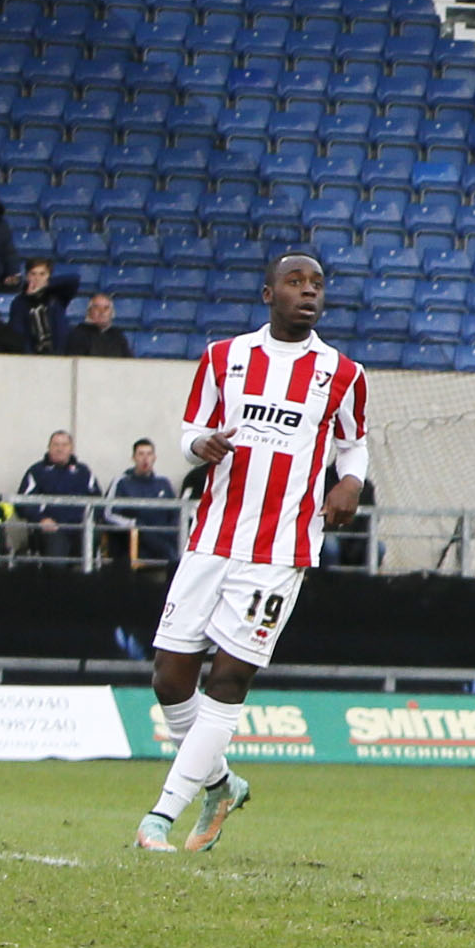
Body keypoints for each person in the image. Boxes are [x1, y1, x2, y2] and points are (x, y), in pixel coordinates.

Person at [131, 252, 371, 854]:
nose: (308, 292)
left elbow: (354, 443)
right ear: (269, 294)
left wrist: (350, 482)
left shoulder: (343, 373)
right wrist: (200, 445)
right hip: (212, 536)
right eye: (295, 282)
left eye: (317, 284)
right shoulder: (224, 357)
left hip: (281, 547)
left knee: (229, 678)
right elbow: (190, 430)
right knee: (169, 678)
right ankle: (221, 786)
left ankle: (160, 817)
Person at [18, 430, 101, 564]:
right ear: (49, 447)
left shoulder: (84, 472)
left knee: (93, 539)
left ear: (71, 448)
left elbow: (98, 501)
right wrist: (41, 519)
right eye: (56, 445)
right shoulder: (37, 471)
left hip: (81, 527)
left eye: (64, 445)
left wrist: (91, 519)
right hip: (53, 528)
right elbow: (23, 503)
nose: (60, 449)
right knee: (57, 558)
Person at [106, 438, 180, 566]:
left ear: (154, 458)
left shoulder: (163, 483)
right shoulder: (122, 482)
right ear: (133, 458)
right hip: (135, 538)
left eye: (149, 454)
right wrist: (134, 524)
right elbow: (108, 513)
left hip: (164, 536)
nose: (145, 459)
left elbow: (176, 513)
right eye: (141, 454)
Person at [7, 259, 79, 357]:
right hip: (32, 356)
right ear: (27, 276)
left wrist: (47, 284)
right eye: (33, 274)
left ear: (49, 276)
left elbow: (74, 279)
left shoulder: (57, 296)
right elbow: (18, 332)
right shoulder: (19, 302)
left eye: (42, 274)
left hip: (59, 354)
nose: (37, 278)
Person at [64, 292, 133, 358]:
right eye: (96, 307)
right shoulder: (79, 333)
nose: (101, 312)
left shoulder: (118, 336)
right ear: (89, 311)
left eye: (106, 308)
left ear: (112, 313)